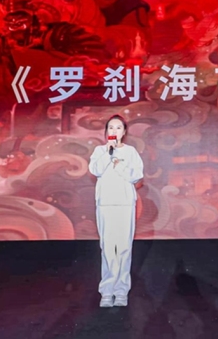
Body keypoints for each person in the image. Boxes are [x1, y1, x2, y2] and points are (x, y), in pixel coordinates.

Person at [88, 115, 144, 308]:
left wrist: (120, 166)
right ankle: (106, 291)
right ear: (106, 132)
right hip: (105, 204)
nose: (114, 131)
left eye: (118, 127)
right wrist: (108, 153)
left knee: (124, 248)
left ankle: (121, 291)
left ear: (124, 132)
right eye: (111, 127)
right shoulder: (99, 151)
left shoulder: (131, 152)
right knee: (107, 248)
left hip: (125, 204)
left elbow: (137, 176)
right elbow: (96, 170)